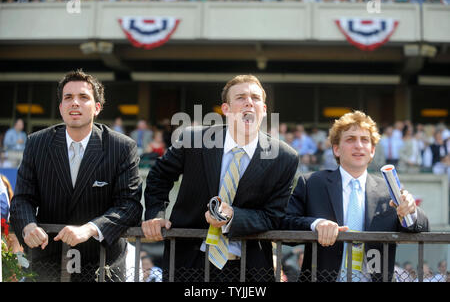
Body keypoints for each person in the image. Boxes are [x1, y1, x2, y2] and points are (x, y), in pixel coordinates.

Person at [141, 74, 299, 282]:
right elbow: (159, 177)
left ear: (264, 109)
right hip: (189, 262)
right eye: (241, 97)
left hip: (248, 267)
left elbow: (273, 216)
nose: (249, 102)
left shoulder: (284, 157)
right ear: (226, 109)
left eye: (255, 98)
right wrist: (156, 213)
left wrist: (233, 217)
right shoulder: (193, 139)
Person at [10, 69, 143, 282]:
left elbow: (130, 206)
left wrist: (90, 229)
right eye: (68, 97)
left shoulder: (121, 147)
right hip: (48, 263)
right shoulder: (37, 143)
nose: (75, 103)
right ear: (61, 108)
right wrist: (28, 226)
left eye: (83, 97)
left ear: (97, 108)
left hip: (102, 263)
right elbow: (22, 199)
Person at [282, 110, 429, 282]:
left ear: (372, 150)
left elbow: (422, 230)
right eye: (350, 139)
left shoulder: (388, 189)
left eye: (364, 140)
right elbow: (284, 222)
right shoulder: (312, 183)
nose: (358, 145)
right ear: (336, 149)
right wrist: (316, 224)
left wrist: (410, 211)